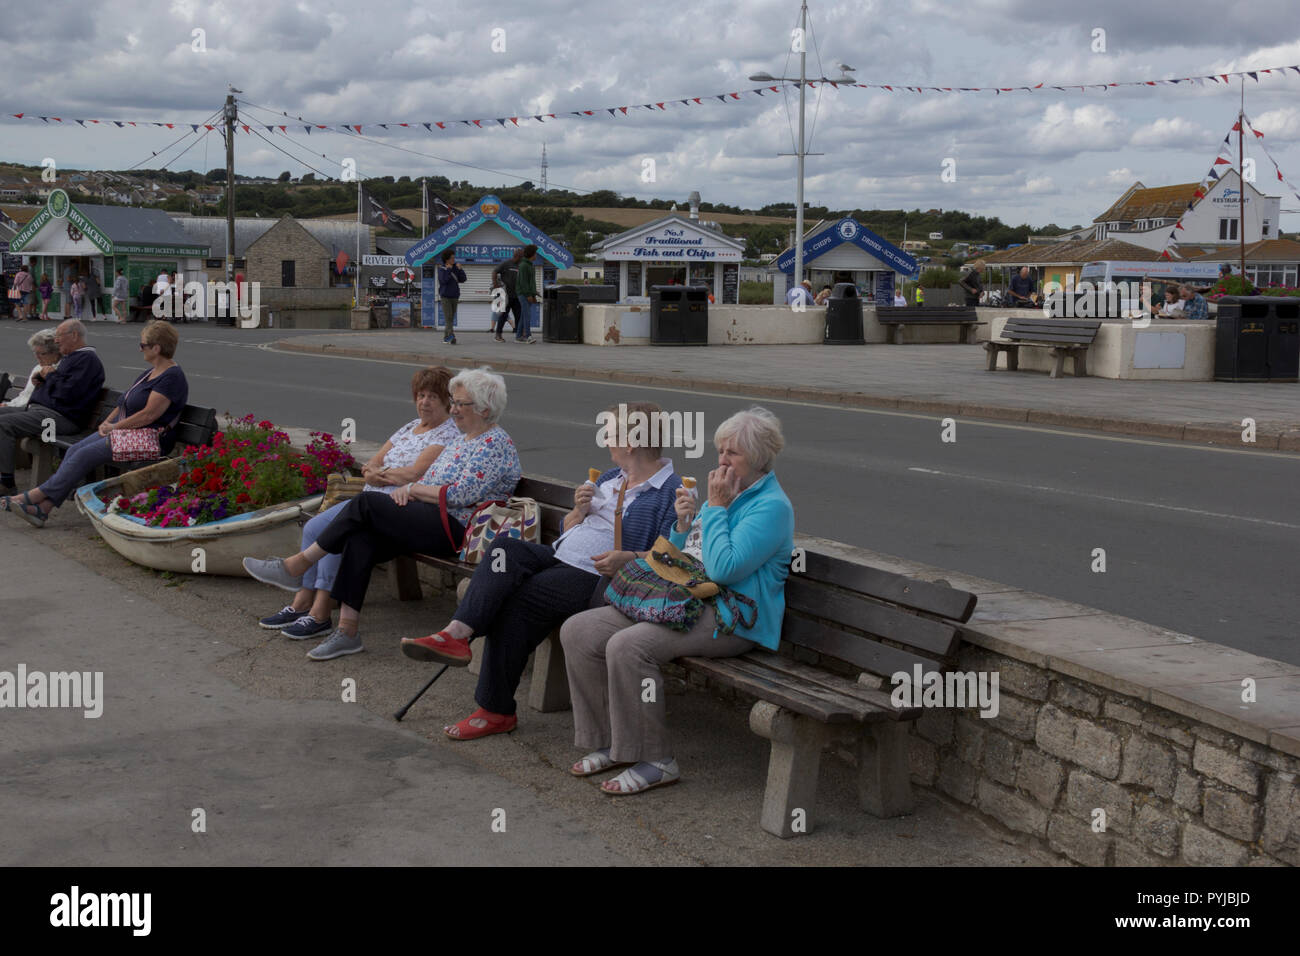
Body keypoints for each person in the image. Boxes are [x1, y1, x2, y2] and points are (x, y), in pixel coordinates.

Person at [400, 401, 684, 740]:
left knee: (518, 599)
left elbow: (670, 558)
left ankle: (494, 710)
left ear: (630, 442)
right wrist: (578, 512)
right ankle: (457, 634)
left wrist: (627, 557)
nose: (605, 438)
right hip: (560, 555)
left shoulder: (672, 492)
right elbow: (568, 530)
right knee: (504, 549)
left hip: (599, 577)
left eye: (610, 432)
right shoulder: (610, 478)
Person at [560, 407, 795, 795]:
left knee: (629, 645)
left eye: (732, 453)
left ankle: (656, 759)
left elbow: (724, 570)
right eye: (720, 451)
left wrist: (715, 508)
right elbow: (677, 557)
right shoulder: (728, 494)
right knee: (580, 630)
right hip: (686, 599)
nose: (721, 461)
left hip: (735, 618)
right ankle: (610, 743)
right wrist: (685, 525)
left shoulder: (771, 507)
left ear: (757, 458)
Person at [242, 367, 521, 661]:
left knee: (366, 505)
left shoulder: (494, 443)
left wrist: (413, 489)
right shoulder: (461, 440)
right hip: (430, 517)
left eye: (458, 404)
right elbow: (433, 482)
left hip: (457, 529)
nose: (452, 409)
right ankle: (347, 632)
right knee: (361, 535)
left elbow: (461, 494)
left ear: (484, 408)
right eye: (452, 402)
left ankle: (296, 566)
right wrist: (416, 488)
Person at [256, 366, 461, 641]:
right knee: (315, 528)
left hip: (395, 506)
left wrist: (379, 476)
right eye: (420, 395)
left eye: (432, 397)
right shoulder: (410, 427)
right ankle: (301, 602)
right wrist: (374, 473)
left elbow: (414, 474)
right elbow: (372, 462)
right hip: (370, 497)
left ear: (447, 401)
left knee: (341, 535)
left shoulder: (446, 434)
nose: (424, 402)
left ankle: (320, 612)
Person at [2, 321, 187, 528]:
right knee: (75, 450)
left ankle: (34, 496)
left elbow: (148, 415)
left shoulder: (172, 377)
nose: (139, 349)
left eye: (143, 345)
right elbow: (123, 402)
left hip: (149, 440)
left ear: (157, 348)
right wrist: (107, 422)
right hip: (125, 432)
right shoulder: (149, 373)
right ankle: (42, 510)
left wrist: (115, 427)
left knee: (83, 455)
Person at [0, 319, 105, 496]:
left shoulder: (87, 360)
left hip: (61, 419)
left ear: (74, 335)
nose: (56, 341)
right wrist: (40, 380)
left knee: (3, 424)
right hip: (43, 411)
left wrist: (50, 376)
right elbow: (59, 387)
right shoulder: (73, 358)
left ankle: (7, 483)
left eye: (59, 336)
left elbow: (67, 394)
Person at [0, 330, 61, 411]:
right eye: (35, 353)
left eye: (42, 354)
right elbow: (25, 395)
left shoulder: (60, 370)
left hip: (33, 412)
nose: (37, 357)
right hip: (18, 408)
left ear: (56, 352)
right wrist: (8, 404)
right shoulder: (38, 368)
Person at [490, 250, 522, 341]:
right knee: (503, 315)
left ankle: (519, 336)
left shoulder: (521, 265)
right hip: (506, 295)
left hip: (517, 295)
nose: (521, 259)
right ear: (516, 256)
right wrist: (495, 284)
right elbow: (494, 271)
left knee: (518, 316)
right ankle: (498, 335)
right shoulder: (506, 263)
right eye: (520, 257)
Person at [437, 249, 466, 345]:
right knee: (448, 317)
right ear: (447, 259)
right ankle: (451, 337)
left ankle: (446, 337)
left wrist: (460, 269)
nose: (454, 259)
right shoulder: (442, 269)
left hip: (455, 296)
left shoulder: (456, 268)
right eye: (452, 258)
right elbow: (444, 281)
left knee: (450, 318)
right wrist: (449, 270)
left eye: (454, 257)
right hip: (445, 296)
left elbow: (463, 279)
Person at [515, 244, 539, 343]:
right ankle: (528, 336)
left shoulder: (530, 265)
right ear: (532, 254)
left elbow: (531, 282)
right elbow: (523, 282)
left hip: (527, 293)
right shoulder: (524, 265)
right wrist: (529, 295)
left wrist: (534, 294)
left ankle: (519, 336)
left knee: (523, 315)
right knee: (527, 315)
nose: (536, 255)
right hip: (523, 294)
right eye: (535, 253)